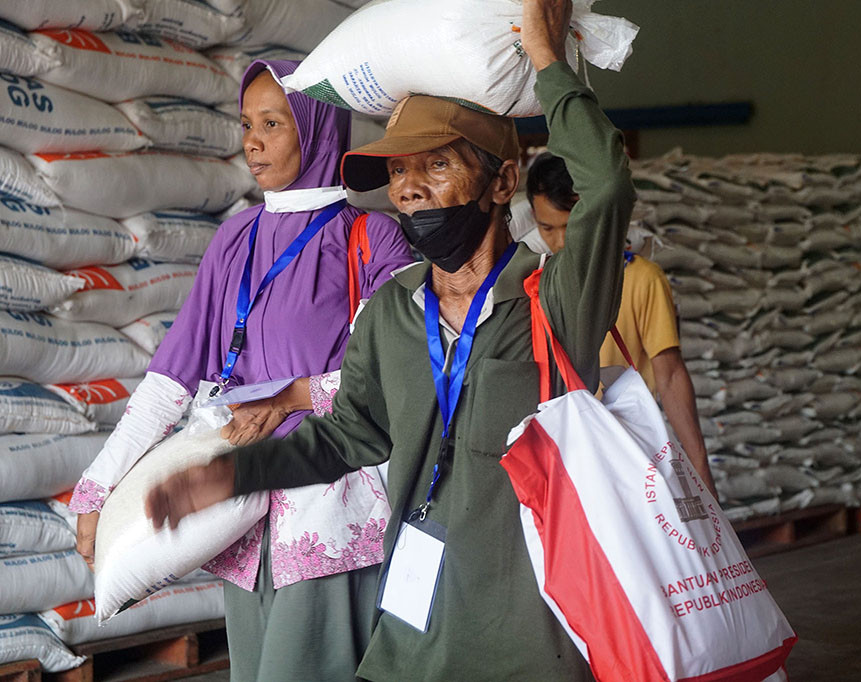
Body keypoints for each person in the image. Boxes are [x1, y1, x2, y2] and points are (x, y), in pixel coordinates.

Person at [143, 1, 635, 678]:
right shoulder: (392, 315)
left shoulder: (553, 297)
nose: (409, 190)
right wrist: (234, 474)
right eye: (398, 173)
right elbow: (349, 436)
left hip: (529, 642)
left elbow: (606, 185)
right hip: (411, 635)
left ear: (502, 182)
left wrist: (548, 59)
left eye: (435, 166)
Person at [68, 59, 413, 682]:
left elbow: (390, 380)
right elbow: (169, 382)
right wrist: (97, 488)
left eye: (273, 123)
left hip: (323, 516)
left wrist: (289, 398)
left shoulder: (370, 239)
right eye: (246, 123)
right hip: (240, 522)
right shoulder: (236, 240)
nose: (252, 141)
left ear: (317, 130)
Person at [527, 151, 718, 498]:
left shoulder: (642, 279)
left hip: (632, 452)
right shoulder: (535, 285)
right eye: (547, 228)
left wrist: (699, 466)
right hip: (564, 453)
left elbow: (670, 374)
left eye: (571, 227)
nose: (560, 242)